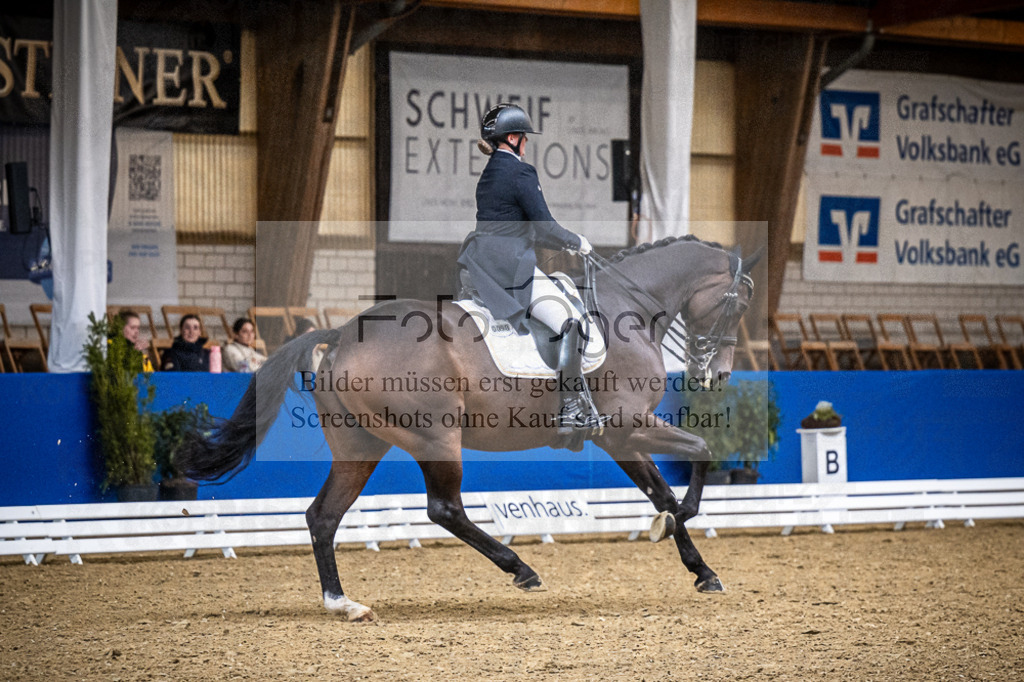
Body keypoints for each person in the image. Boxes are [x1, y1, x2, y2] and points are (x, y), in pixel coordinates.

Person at [457, 102, 603, 436]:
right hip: (511, 269)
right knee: (571, 322)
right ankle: (571, 408)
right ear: (512, 137)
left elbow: (517, 224)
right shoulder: (521, 172)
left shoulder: (489, 173)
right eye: (524, 136)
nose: (527, 142)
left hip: (482, 264)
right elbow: (545, 226)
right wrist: (577, 242)